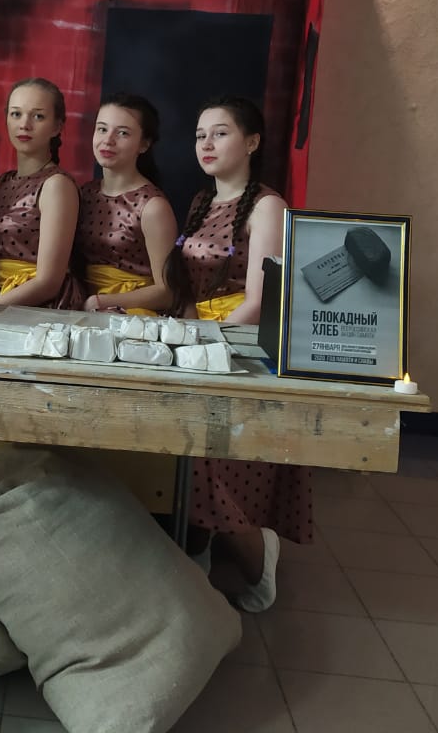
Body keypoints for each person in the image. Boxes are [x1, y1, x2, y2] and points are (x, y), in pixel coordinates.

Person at [163, 96, 312, 613]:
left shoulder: (268, 206)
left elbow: (258, 301)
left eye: (220, 133)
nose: (206, 143)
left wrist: (204, 342)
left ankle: (256, 555)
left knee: (205, 463)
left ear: (251, 142)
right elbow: (187, 287)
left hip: (242, 349)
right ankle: (199, 549)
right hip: (200, 342)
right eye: (200, 135)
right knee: (174, 451)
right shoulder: (202, 201)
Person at [0, 77, 81, 309]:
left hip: (38, 309)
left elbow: (48, 283)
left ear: (57, 127)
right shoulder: (0, 183)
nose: (24, 124)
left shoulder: (57, 185)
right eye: (16, 114)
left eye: (38, 117)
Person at [76, 94, 177, 315]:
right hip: (80, 306)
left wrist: (100, 301)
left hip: (131, 315)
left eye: (122, 133)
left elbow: (167, 292)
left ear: (144, 144)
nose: (108, 140)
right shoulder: (84, 193)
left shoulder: (153, 206)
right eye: (102, 129)